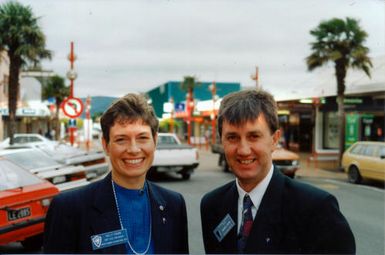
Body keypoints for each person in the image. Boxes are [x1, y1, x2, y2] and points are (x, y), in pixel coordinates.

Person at [200, 89, 355, 254]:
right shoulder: (212, 205)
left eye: (254, 136)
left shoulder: (316, 208)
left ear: (274, 140)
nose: (243, 150)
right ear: (222, 141)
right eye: (232, 137)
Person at [44, 93, 189, 254]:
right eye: (121, 139)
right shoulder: (69, 208)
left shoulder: (173, 204)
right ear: (106, 145)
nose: (134, 149)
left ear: (155, 141)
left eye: (142, 138)